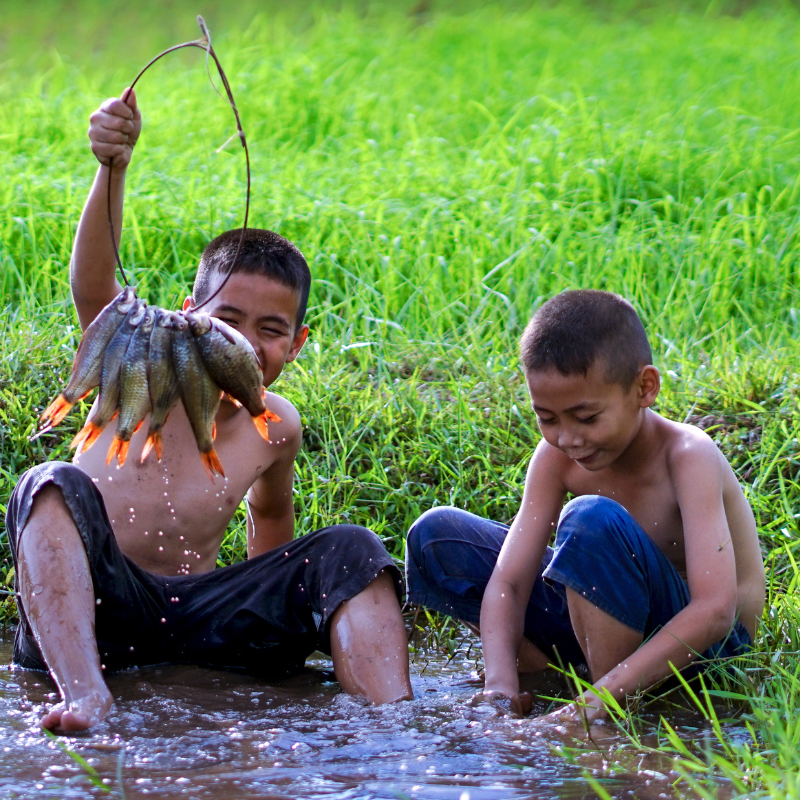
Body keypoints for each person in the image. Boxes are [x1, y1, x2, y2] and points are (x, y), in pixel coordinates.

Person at [7, 89, 413, 733]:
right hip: (101, 611)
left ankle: (392, 720)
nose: (246, 341)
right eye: (226, 319)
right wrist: (113, 166)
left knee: (352, 548)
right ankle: (84, 694)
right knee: (48, 484)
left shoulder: (275, 425)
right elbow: (92, 285)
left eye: (270, 328)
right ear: (186, 316)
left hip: (196, 620)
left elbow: (271, 534)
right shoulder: (147, 368)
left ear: (297, 343)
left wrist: (270, 607)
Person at [406, 290, 764, 721]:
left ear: (644, 388)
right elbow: (509, 582)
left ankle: (606, 706)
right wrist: (499, 689)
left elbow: (715, 610)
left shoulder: (689, 456)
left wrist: (590, 709)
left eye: (588, 417)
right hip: (602, 622)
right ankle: (549, 676)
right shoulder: (555, 458)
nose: (569, 439)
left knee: (590, 518)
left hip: (703, 652)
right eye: (548, 418)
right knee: (436, 536)